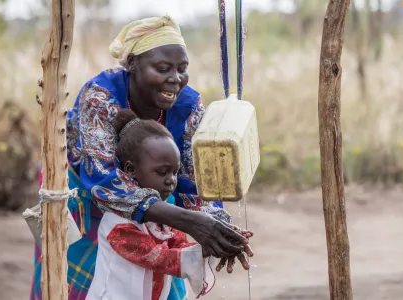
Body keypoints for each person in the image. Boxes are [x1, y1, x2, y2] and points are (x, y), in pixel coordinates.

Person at [30, 15, 253, 300]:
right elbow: (103, 182)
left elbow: (192, 181)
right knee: (75, 282)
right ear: (132, 65)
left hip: (157, 197)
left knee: (154, 280)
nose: (175, 79)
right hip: (83, 197)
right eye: (162, 68)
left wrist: (217, 226)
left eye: (182, 69)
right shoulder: (100, 97)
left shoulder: (188, 105)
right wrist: (191, 222)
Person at [87, 110, 216, 299]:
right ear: (131, 170)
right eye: (162, 172)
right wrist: (195, 255)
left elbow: (178, 243)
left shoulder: (162, 214)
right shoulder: (116, 221)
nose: (171, 181)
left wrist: (209, 246)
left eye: (175, 172)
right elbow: (155, 256)